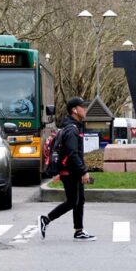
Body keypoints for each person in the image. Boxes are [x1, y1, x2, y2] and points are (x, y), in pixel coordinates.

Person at [38, 97, 95, 241]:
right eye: (82, 107)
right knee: (72, 201)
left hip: (73, 171)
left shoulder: (73, 126)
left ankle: (79, 231)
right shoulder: (72, 130)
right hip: (70, 172)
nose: (85, 109)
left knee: (79, 200)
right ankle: (46, 219)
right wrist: (84, 171)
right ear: (74, 110)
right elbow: (72, 153)